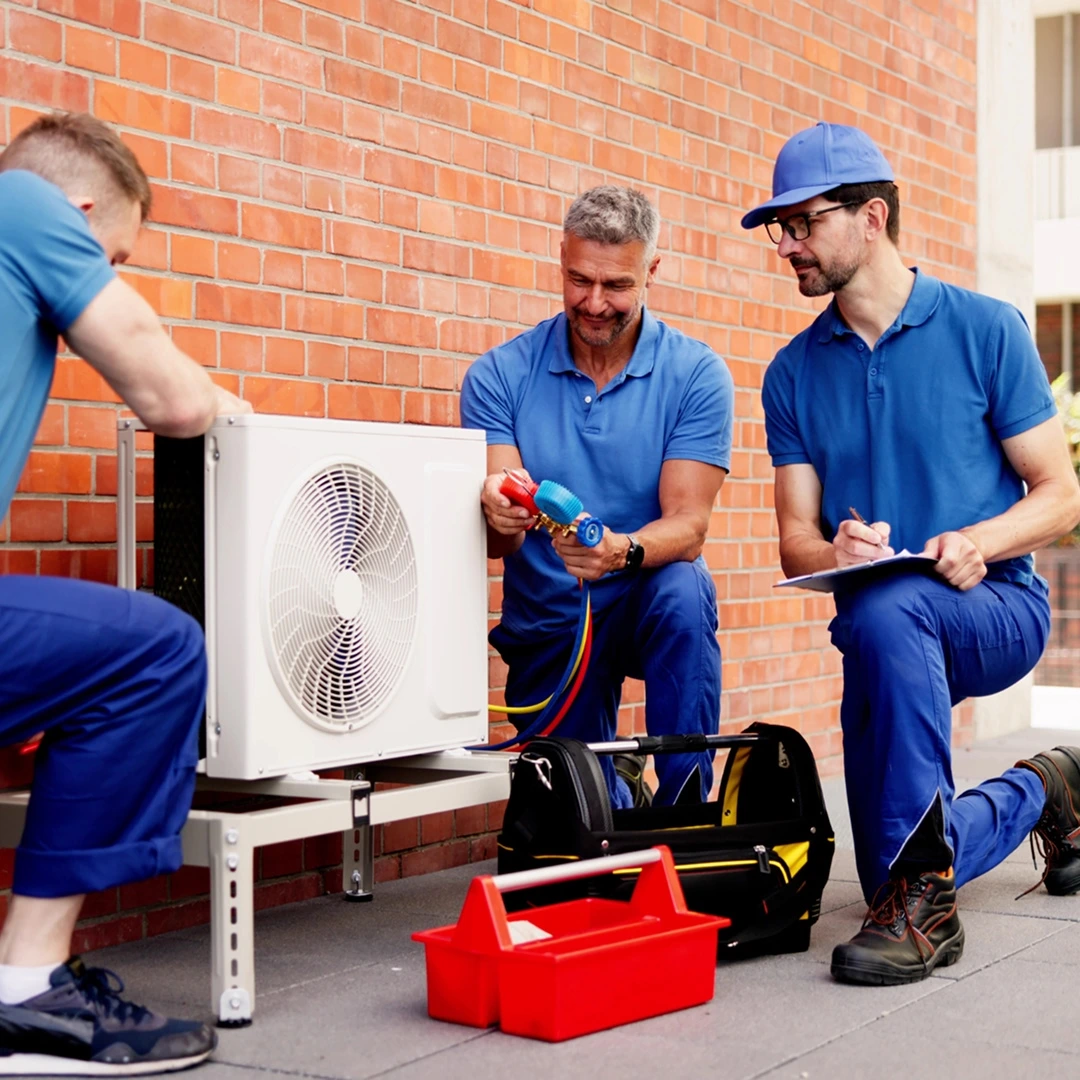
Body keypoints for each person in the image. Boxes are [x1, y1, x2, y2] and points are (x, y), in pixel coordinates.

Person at [743, 120, 1080, 986]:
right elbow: (794, 541)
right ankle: (1045, 790)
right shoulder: (790, 374)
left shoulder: (985, 329)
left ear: (873, 218)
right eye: (778, 227)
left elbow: (1060, 495)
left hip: (997, 606)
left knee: (886, 611)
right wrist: (837, 547)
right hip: (882, 630)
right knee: (890, 861)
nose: (787, 245)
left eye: (803, 222)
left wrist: (981, 540)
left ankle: (930, 915)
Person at [0, 111, 250, 1073]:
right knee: (153, 648)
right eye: (112, 254)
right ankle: (27, 993)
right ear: (81, 209)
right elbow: (174, 400)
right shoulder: (25, 206)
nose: (103, 272)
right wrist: (243, 415)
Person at [461, 186, 733, 809]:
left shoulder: (695, 374)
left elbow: (690, 526)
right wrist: (498, 509)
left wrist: (621, 552)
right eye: (579, 279)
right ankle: (619, 790)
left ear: (652, 271)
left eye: (617, 285)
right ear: (561, 259)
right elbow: (501, 537)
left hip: (643, 597)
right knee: (577, 822)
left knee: (685, 589)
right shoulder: (499, 375)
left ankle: (685, 809)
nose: (594, 302)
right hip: (553, 622)